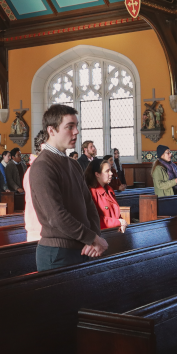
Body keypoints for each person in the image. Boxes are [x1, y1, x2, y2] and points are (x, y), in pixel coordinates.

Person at [30, 104, 105, 271]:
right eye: (69, 127)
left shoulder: (74, 164)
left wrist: (94, 237)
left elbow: (89, 205)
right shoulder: (42, 166)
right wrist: (92, 238)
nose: (76, 131)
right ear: (51, 130)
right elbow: (56, 216)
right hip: (58, 253)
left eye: (76, 126)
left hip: (84, 249)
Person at [85, 158, 127, 233]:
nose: (111, 173)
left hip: (113, 233)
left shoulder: (109, 189)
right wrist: (118, 222)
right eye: (107, 171)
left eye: (110, 170)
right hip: (101, 235)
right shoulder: (91, 192)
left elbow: (115, 213)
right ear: (97, 174)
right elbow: (93, 220)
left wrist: (122, 223)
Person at [24, 132, 47, 242]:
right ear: (43, 146)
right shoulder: (36, 171)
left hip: (46, 232)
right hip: (39, 232)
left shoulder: (43, 168)